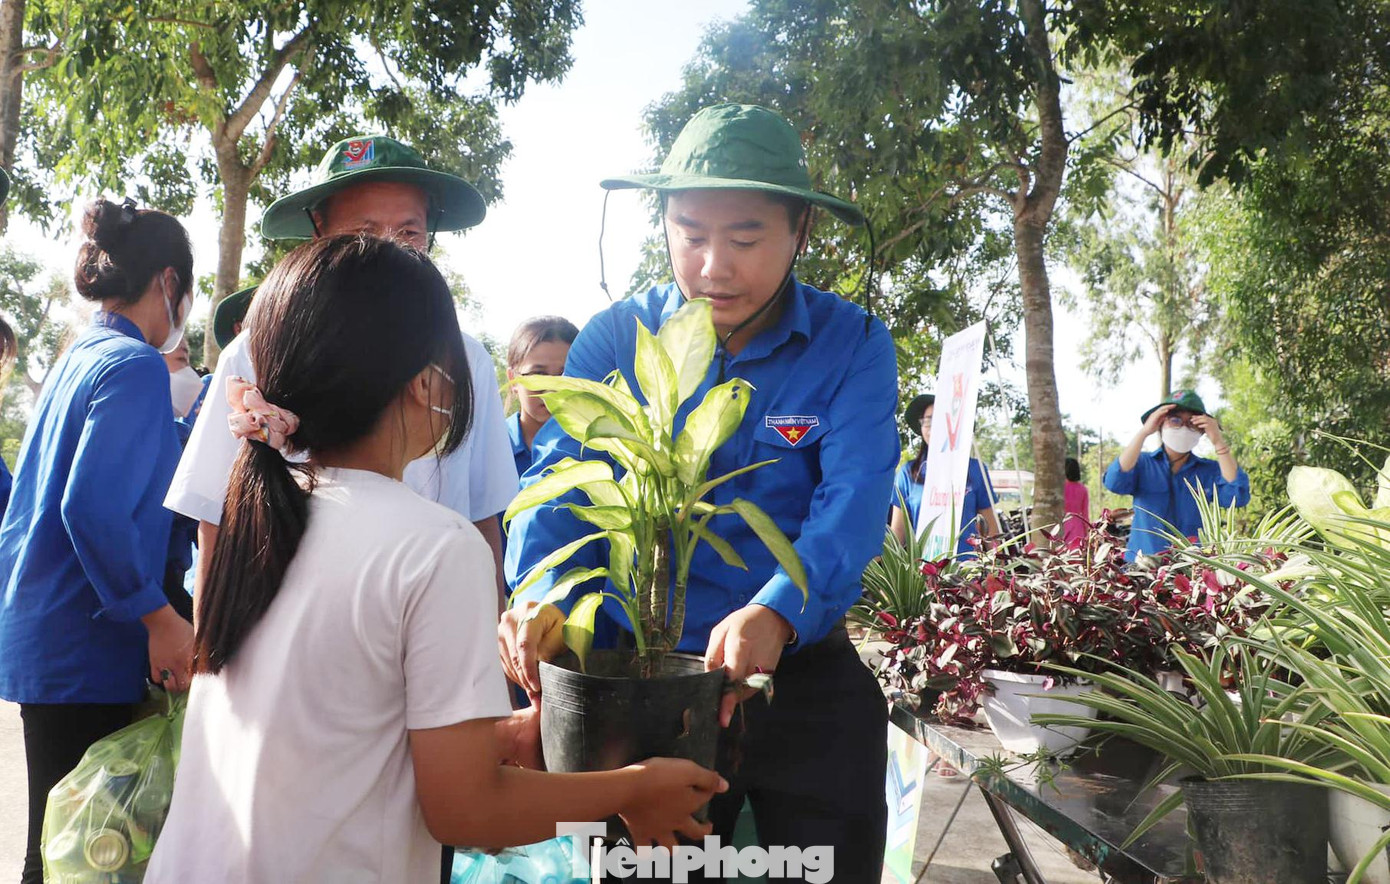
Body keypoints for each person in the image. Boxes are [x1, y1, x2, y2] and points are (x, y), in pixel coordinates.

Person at [146, 235, 725, 883]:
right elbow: (468, 812)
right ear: (427, 382)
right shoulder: (435, 546)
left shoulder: (261, 514)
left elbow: (333, 731)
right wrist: (634, 788)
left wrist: (494, 737)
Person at [500, 104, 898, 881]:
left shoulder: (852, 343)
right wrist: (544, 597)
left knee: (828, 858)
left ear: (801, 231)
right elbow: (556, 484)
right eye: (690, 234)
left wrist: (778, 610)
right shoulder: (618, 337)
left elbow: (852, 502)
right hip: (640, 680)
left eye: (745, 240)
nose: (714, 266)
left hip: (793, 670)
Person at [164, 135, 518, 608]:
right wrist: (210, 645)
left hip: (435, 619)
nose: (389, 255)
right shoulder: (254, 353)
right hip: (293, 623)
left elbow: (482, 515)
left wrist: (492, 630)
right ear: (319, 235)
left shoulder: (466, 360)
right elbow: (214, 518)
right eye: (362, 234)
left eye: (408, 233)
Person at [0, 199, 195, 884]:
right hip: (88, 641)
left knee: (58, 846)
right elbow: (90, 509)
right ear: (168, 282)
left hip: (47, 628)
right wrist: (160, 618)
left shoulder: (77, 358)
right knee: (81, 855)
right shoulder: (135, 365)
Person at [1103, 389, 1250, 560]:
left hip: (1190, 566)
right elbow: (1114, 482)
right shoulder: (1142, 463)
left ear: (1202, 430)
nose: (1184, 427)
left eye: (1193, 422)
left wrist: (1218, 441)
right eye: (1175, 420)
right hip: (1140, 564)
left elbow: (1237, 496)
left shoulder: (1209, 470)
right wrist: (1144, 432)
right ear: (1160, 425)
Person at [889, 393, 1000, 556]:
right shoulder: (908, 473)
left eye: (941, 420)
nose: (935, 427)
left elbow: (990, 531)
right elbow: (898, 534)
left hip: (967, 568)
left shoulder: (975, 470)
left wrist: (1000, 565)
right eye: (928, 421)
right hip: (924, 568)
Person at [504, 315, 579, 483]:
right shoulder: (490, 448)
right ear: (513, 379)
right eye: (538, 375)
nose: (551, 390)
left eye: (564, 376)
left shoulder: (597, 448)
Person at [1063, 456, 1091, 547]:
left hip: (1062, 525)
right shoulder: (1083, 489)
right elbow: (1085, 513)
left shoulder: (1060, 489)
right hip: (1078, 527)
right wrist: (1087, 532)